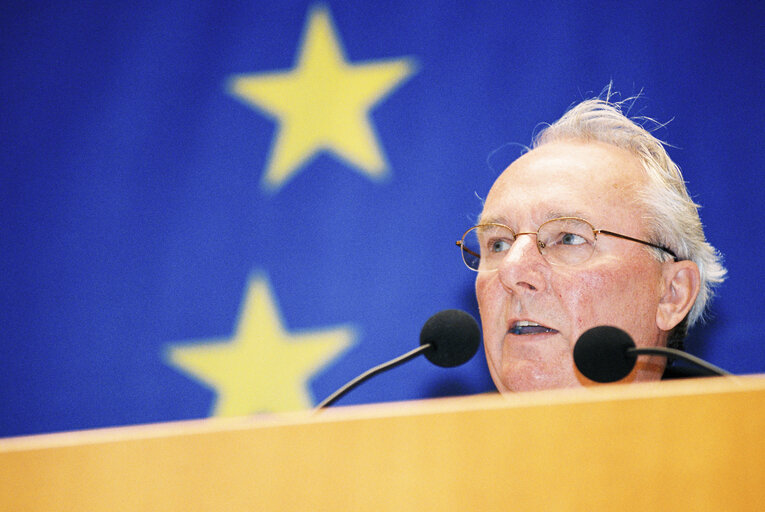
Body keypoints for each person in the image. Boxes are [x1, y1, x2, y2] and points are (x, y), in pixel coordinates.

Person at [457, 93, 726, 392]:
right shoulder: (421, 439)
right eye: (499, 244)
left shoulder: (747, 435)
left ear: (672, 294)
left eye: (568, 239)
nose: (512, 270)